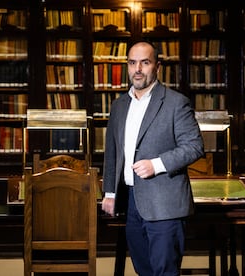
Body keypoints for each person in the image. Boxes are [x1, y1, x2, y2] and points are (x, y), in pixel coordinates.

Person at [101, 40, 204, 276]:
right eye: (132, 63)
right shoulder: (119, 106)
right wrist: (109, 192)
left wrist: (156, 164)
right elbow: (112, 152)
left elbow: (195, 146)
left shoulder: (176, 103)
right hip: (131, 204)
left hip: (165, 205)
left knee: (164, 272)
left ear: (157, 66)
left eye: (144, 62)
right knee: (143, 270)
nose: (138, 69)